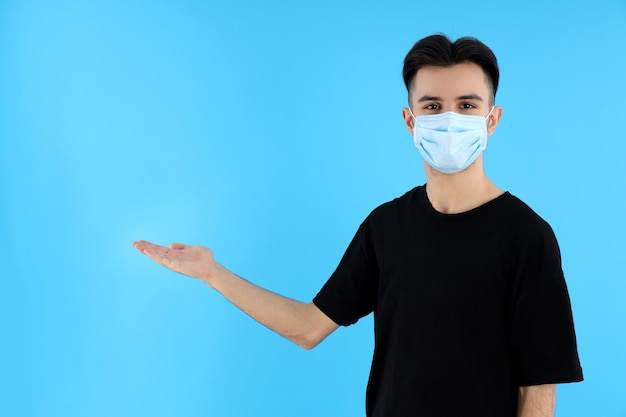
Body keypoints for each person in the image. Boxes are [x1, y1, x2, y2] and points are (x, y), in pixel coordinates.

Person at [133, 34, 583, 417]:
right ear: (410, 121)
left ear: (492, 119)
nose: (450, 119)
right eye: (433, 106)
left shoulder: (526, 237)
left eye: (467, 105)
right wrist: (213, 274)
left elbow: (539, 387)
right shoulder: (386, 228)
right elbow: (309, 327)